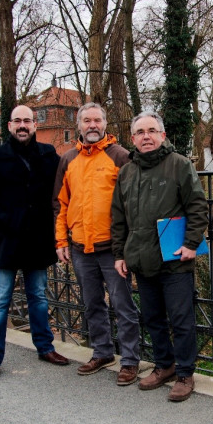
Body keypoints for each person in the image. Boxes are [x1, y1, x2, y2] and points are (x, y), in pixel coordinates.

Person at [111, 111, 208, 402]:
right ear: (133, 139)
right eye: (140, 132)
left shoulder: (179, 165)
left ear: (162, 135)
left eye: (152, 130)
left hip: (175, 259)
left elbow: (198, 206)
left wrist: (192, 242)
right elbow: (118, 216)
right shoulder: (127, 171)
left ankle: (185, 373)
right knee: (152, 318)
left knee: (181, 320)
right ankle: (164, 365)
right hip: (141, 258)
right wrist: (119, 253)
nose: (146, 136)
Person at [0, 105, 69, 385]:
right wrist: (6, 220)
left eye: (28, 120)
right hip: (7, 239)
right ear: (10, 126)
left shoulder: (48, 154)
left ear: (35, 126)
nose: (23, 125)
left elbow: (65, 184)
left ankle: (45, 347)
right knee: (0, 300)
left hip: (38, 241)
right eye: (18, 121)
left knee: (38, 297)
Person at [53, 102, 141, 386]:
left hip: (113, 249)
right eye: (87, 121)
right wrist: (61, 240)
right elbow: (60, 204)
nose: (92, 125)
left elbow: (133, 204)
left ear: (105, 124)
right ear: (78, 126)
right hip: (79, 247)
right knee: (91, 304)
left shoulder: (121, 156)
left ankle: (129, 360)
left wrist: (128, 246)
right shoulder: (67, 160)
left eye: (97, 120)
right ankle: (102, 352)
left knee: (123, 305)